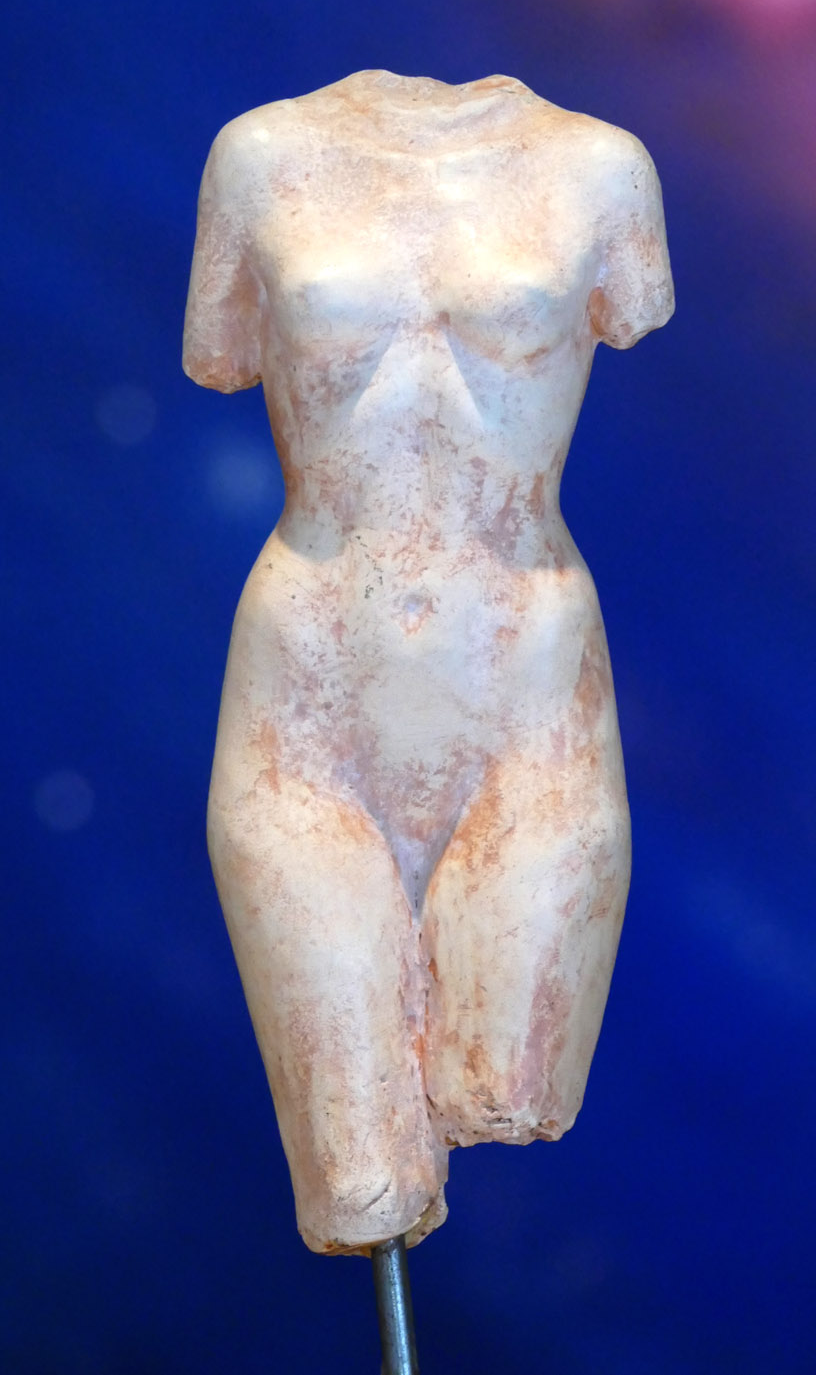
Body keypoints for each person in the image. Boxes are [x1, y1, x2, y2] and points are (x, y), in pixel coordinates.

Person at [183, 69, 674, 1255]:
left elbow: (635, 308)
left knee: (509, 1083)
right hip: (313, 690)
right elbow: (218, 351)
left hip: (526, 690)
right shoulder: (259, 158)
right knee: (359, 1186)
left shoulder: (601, 167)